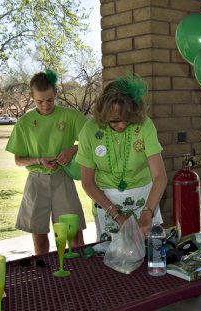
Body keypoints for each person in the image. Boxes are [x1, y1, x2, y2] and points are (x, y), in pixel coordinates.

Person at [6, 70, 87, 255]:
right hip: (36, 181)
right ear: (32, 97)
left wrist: (71, 150)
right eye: (39, 101)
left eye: (49, 100)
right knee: (39, 236)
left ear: (56, 94)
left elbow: (92, 140)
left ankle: (82, 276)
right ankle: (44, 278)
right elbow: (18, 160)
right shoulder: (24, 123)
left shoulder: (71, 116)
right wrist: (39, 160)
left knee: (74, 234)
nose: (45, 105)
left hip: (62, 178)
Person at [76, 74, 167, 238]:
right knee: (112, 253)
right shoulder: (89, 131)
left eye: (128, 119)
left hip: (144, 199)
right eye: (115, 120)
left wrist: (147, 214)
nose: (122, 125)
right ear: (103, 114)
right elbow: (88, 183)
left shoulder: (145, 125)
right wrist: (117, 216)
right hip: (106, 201)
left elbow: (160, 176)